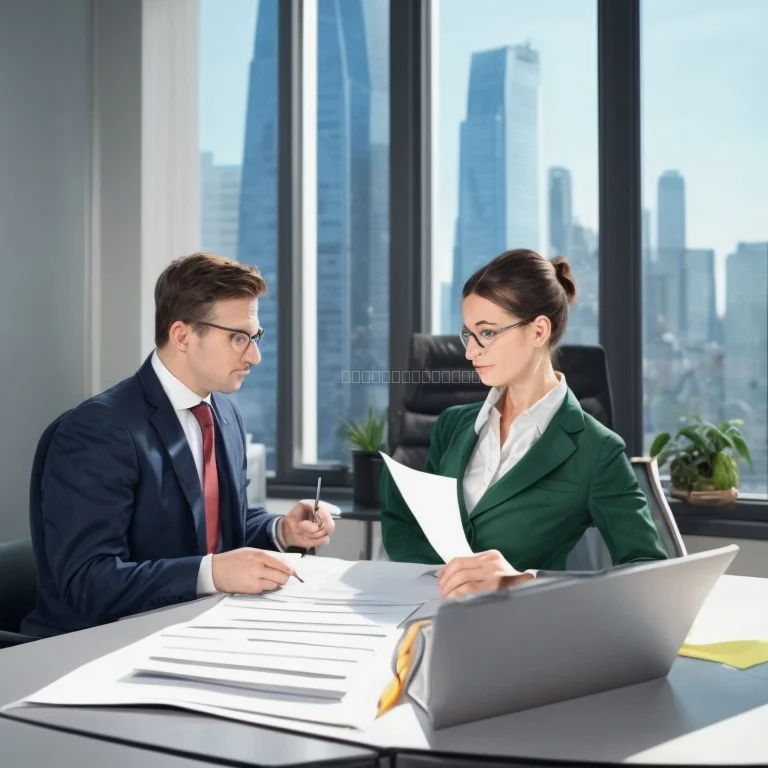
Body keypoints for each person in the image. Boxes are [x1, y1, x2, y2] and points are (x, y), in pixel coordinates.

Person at [24, 253, 337, 637]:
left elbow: (217, 526)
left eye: (255, 337)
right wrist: (212, 572)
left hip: (201, 629)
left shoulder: (224, 412)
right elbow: (88, 583)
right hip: (98, 644)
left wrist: (282, 530)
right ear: (183, 336)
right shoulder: (98, 429)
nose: (254, 356)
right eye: (238, 337)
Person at [381, 249, 667, 599]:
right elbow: (417, 528)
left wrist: (523, 581)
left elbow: (648, 572)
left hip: (526, 625)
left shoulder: (598, 450)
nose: (470, 352)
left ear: (539, 331)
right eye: (468, 335)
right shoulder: (451, 425)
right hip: (430, 614)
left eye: (487, 333)